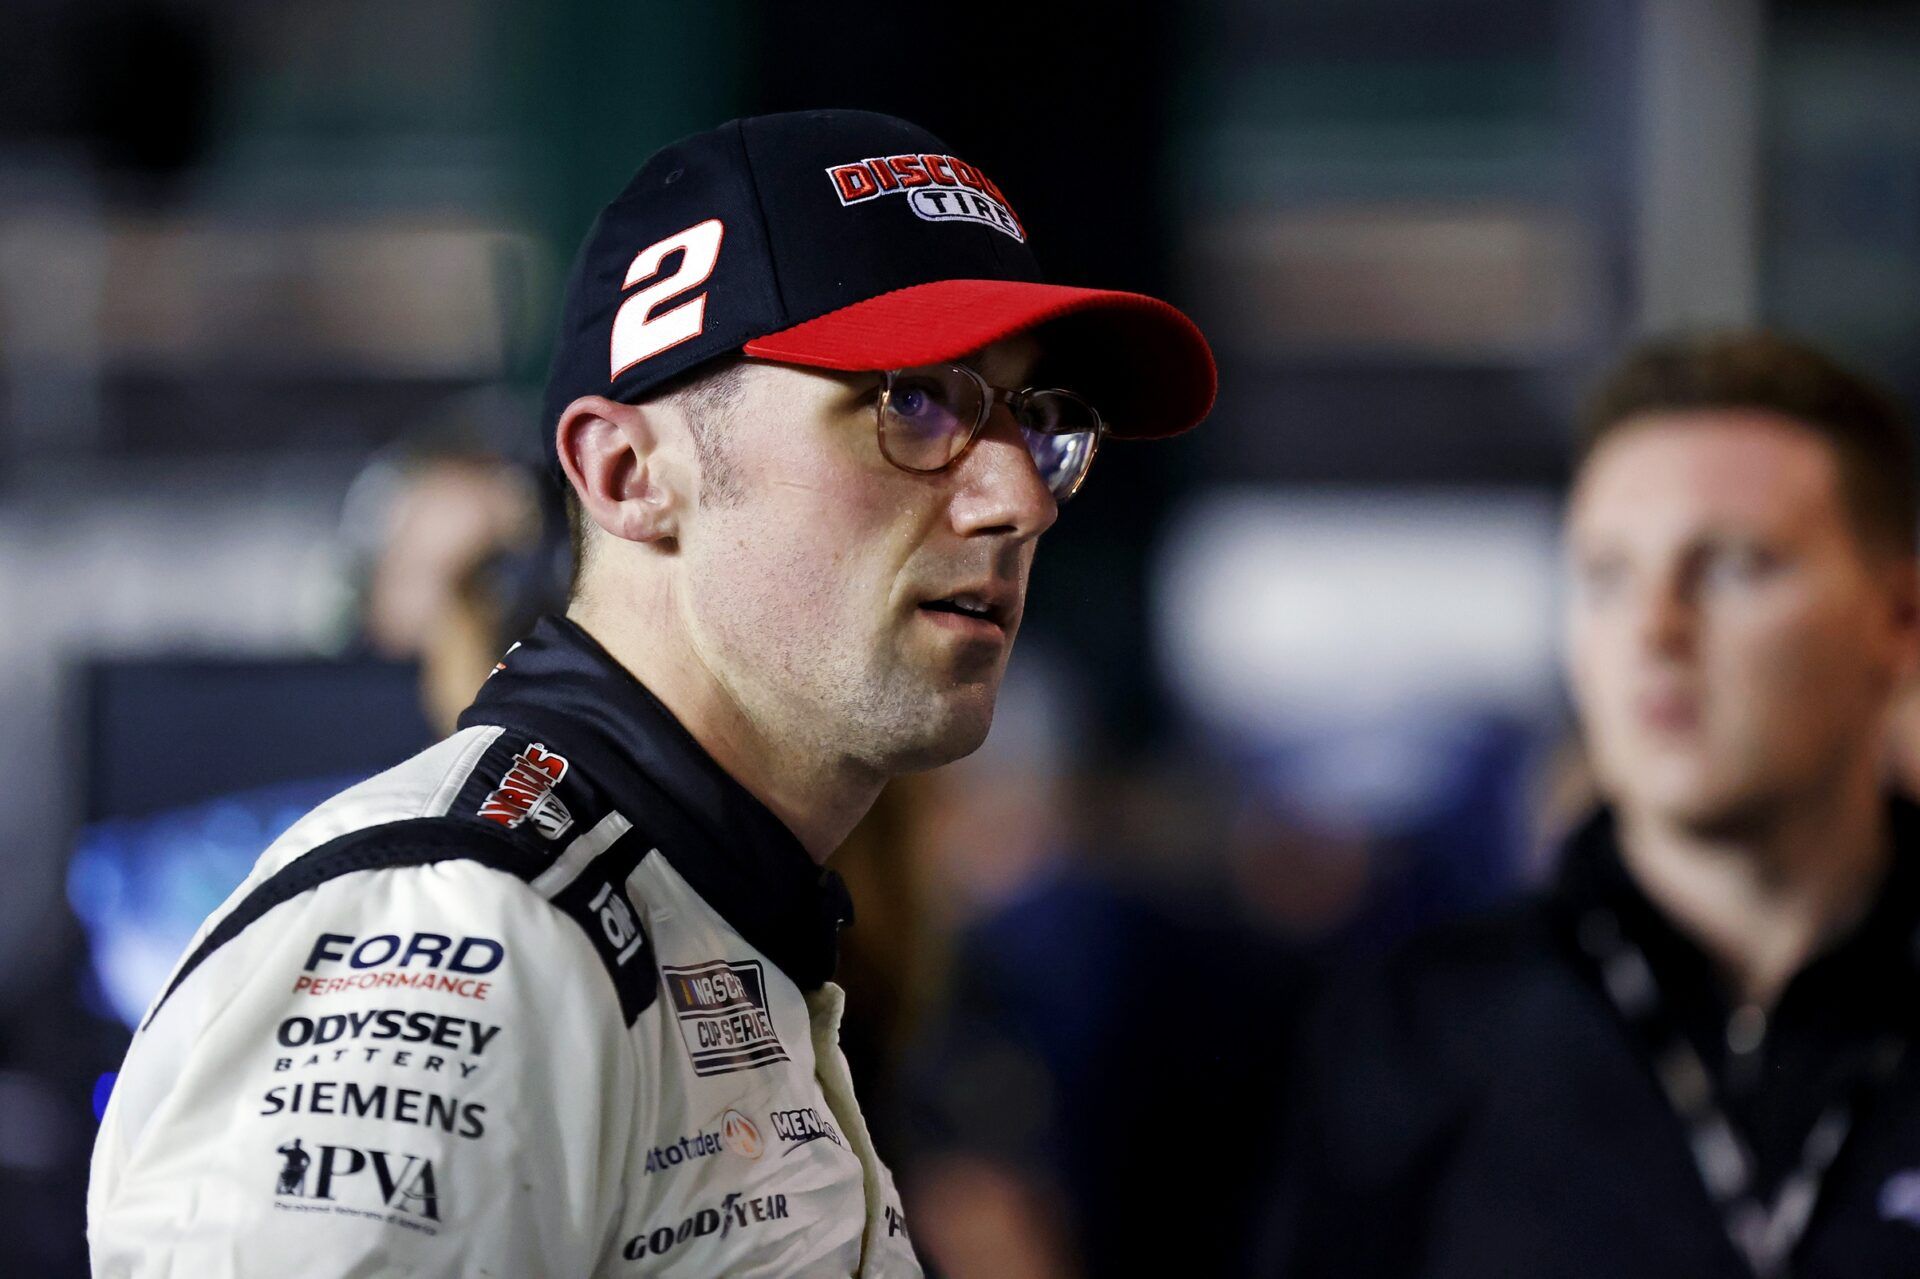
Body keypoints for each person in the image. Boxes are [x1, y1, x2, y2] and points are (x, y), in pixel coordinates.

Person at [87, 108, 1215, 1277]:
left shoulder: (712, 910)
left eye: (1038, 423)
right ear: (627, 476)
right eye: (914, 403)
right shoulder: (467, 934)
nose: (1020, 499)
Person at [1260, 331, 1920, 1279]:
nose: (1656, 630)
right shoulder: (1417, 1032)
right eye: (1607, 575)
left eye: (1734, 565)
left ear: (1898, 623)